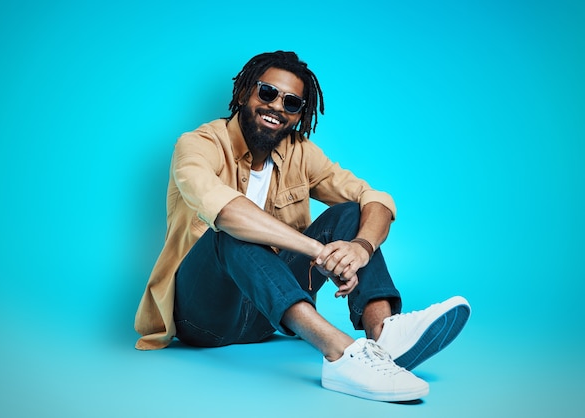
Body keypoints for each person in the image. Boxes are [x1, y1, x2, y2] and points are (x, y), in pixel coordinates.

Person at [134, 50, 471, 402]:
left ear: (300, 114)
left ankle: (383, 335)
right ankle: (342, 354)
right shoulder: (199, 145)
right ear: (246, 91)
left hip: (267, 316)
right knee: (229, 232)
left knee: (351, 212)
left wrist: (360, 248)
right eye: (267, 93)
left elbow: (375, 199)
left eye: (292, 103)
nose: (277, 107)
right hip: (204, 318)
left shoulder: (300, 152)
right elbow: (227, 211)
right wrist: (318, 251)